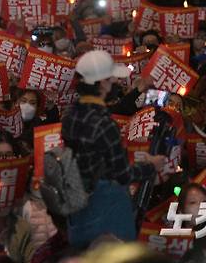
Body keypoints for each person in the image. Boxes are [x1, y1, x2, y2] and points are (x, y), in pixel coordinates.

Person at [61, 50, 166, 248]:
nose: (115, 84)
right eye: (111, 80)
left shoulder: (71, 116)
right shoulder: (104, 124)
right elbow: (123, 174)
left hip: (78, 206)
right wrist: (151, 166)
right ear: (102, 84)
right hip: (107, 211)